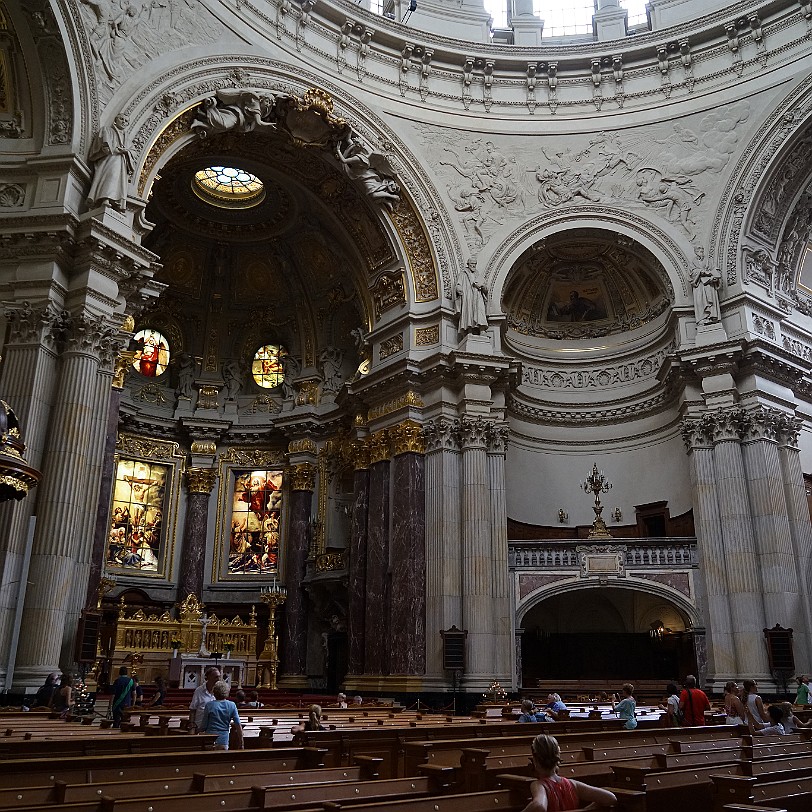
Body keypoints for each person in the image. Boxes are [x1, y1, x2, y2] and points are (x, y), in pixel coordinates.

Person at [522, 734, 617, 811]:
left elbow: (539, 806)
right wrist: (586, 810)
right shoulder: (572, 784)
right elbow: (610, 798)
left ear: (535, 761)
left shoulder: (539, 785)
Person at [86, 113, 134, 211]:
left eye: (126, 121)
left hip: (121, 162)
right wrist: (111, 149)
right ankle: (105, 199)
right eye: (122, 119)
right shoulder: (107, 130)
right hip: (110, 160)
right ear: (115, 120)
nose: (124, 122)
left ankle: (115, 201)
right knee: (110, 177)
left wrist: (126, 152)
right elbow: (104, 145)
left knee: (117, 180)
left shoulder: (128, 140)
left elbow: (132, 152)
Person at [200, 680, 242, 751]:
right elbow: (238, 724)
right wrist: (241, 740)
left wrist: (197, 730)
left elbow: (204, 725)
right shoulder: (232, 705)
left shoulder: (209, 705)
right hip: (223, 739)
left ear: (214, 692)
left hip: (210, 738)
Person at [189, 666, 220, 731]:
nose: (218, 679)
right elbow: (193, 709)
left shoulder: (219, 691)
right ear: (209, 677)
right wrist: (192, 724)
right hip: (200, 725)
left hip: (214, 726)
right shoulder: (199, 691)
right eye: (216, 677)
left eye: (219, 677)